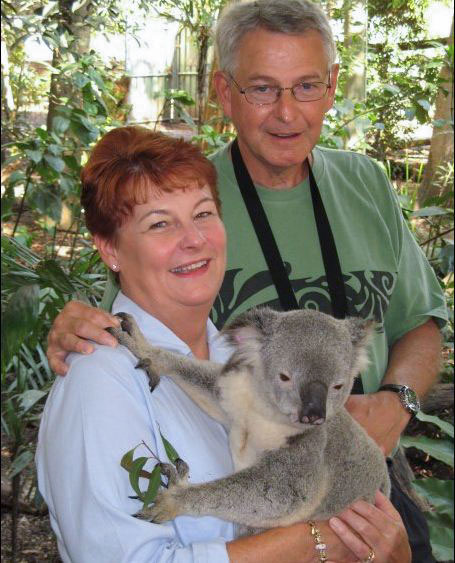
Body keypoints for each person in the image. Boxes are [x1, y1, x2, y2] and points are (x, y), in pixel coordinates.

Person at [46, 0, 447, 560]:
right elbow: (135, 313)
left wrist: (394, 402)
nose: (287, 112)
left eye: (306, 85)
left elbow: (424, 320)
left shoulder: (367, 182)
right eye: (262, 88)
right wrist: (76, 330)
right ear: (223, 89)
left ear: (332, 86)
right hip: (276, 497)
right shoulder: (190, 187)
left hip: (367, 475)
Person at [36, 126, 411, 562]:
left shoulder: (244, 356)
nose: (193, 239)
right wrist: (322, 538)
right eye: (160, 223)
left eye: (203, 214)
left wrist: (392, 551)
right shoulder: (99, 381)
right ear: (109, 249)